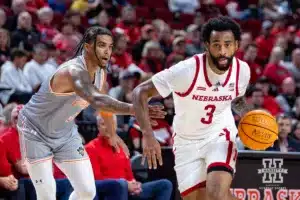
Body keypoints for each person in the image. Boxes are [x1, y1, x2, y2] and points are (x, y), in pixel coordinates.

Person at [17, 26, 165, 200]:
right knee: (47, 194)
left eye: (110, 47)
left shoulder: (100, 73)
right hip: (35, 130)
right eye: (102, 45)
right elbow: (97, 100)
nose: (107, 51)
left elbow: (105, 107)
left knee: (87, 191)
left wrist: (112, 134)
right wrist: (134, 109)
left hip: (64, 133)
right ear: (87, 47)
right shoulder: (73, 71)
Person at [132, 16, 251, 200]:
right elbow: (139, 92)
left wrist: (249, 117)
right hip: (186, 143)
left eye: (228, 44)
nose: (222, 51)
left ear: (236, 45)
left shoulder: (242, 71)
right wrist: (148, 135)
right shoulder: (186, 71)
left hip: (220, 136)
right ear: (206, 45)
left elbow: (236, 99)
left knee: (217, 194)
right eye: (216, 45)